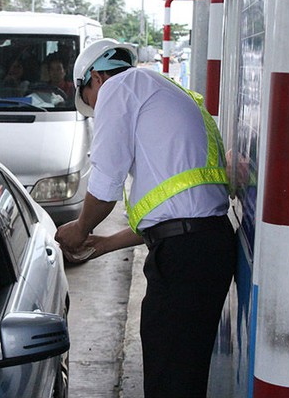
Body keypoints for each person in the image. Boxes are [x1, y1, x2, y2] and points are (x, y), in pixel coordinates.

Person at [54, 38, 236, 398]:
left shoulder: (118, 88)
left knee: (170, 378)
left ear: (95, 79)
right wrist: (104, 244)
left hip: (186, 256)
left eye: (88, 100)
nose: (95, 108)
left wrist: (79, 228)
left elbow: (105, 182)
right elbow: (173, 211)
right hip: (203, 246)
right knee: (180, 372)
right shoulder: (159, 89)